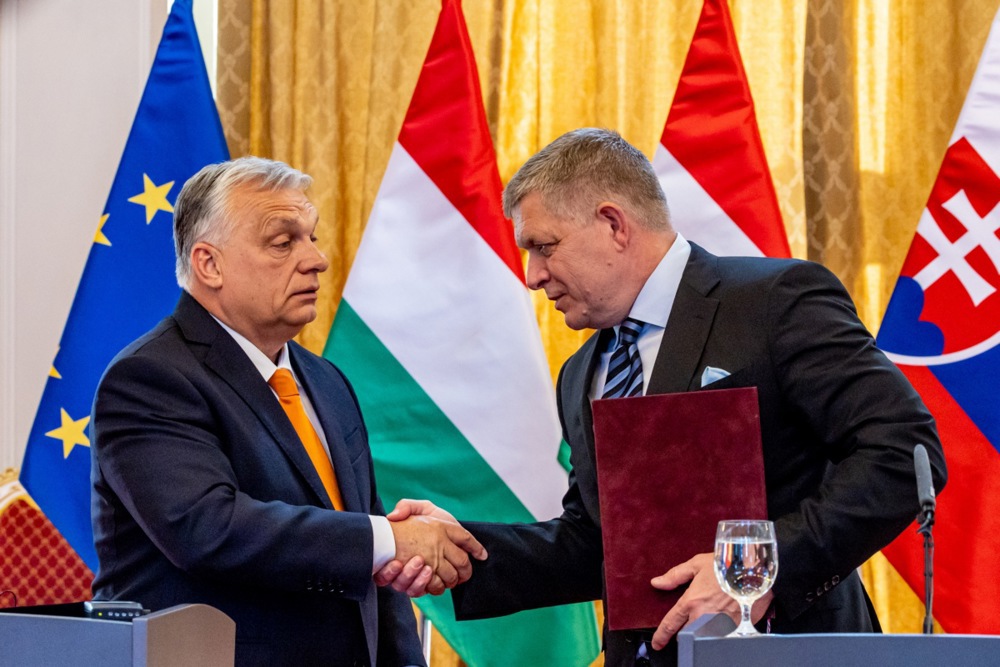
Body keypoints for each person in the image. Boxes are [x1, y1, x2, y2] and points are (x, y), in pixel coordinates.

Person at [379, 128, 947, 666]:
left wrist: (753, 571)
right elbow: (598, 544)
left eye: (544, 247)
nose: (532, 275)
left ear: (613, 224)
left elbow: (903, 452)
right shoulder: (581, 373)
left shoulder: (775, 302)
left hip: (785, 650)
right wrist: (460, 548)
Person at [90, 156, 486, 667]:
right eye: (283, 242)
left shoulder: (326, 381)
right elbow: (208, 529)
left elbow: (369, 565)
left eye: (312, 238)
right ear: (209, 264)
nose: (317, 260)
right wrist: (390, 538)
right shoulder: (150, 378)